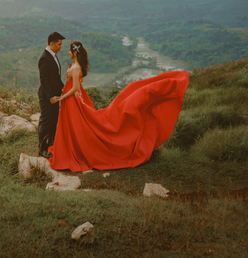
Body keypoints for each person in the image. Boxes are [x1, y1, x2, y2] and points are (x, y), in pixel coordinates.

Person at [48, 40, 189, 172]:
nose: (68, 52)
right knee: (73, 125)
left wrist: (60, 98)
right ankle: (71, 148)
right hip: (72, 99)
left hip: (73, 99)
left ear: (75, 52)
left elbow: (74, 88)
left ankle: (77, 151)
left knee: (77, 125)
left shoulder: (76, 67)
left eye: (69, 50)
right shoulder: (74, 65)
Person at [37, 31, 65, 158]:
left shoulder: (53, 55)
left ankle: (51, 144)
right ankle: (42, 149)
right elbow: (44, 80)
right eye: (59, 44)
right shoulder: (44, 58)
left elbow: (55, 77)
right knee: (46, 121)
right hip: (47, 96)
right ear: (52, 44)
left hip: (55, 95)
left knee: (54, 119)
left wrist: (63, 88)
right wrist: (50, 97)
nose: (61, 47)